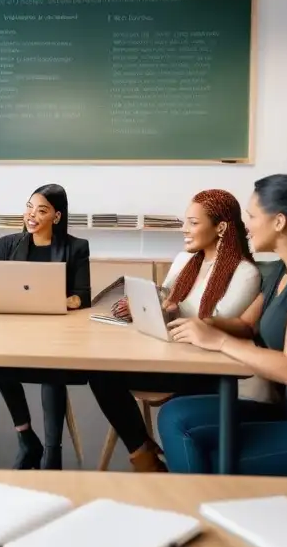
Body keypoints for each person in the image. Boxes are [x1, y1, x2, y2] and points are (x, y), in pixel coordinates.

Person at [157, 174, 287, 476]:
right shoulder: (284, 269)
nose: (246, 225)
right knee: (175, 414)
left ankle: (204, 513)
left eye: (251, 216)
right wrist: (200, 325)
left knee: (210, 459)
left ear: (279, 222)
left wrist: (219, 342)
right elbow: (245, 324)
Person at [89, 189, 261, 472]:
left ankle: (148, 458)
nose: (184, 229)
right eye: (185, 221)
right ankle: (142, 452)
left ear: (221, 227)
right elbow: (166, 301)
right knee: (98, 369)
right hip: (168, 351)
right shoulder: (184, 260)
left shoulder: (244, 273)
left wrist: (171, 313)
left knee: (105, 374)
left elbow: (216, 326)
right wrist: (141, 305)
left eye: (193, 222)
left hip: (200, 366)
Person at [0, 184, 90, 470]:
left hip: (56, 338)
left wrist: (67, 300)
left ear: (56, 217)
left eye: (42, 210)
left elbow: (83, 294)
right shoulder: (8, 244)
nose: (31, 215)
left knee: (53, 370)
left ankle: (53, 453)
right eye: (29, 207)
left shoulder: (75, 247)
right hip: (13, 334)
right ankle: (26, 437)